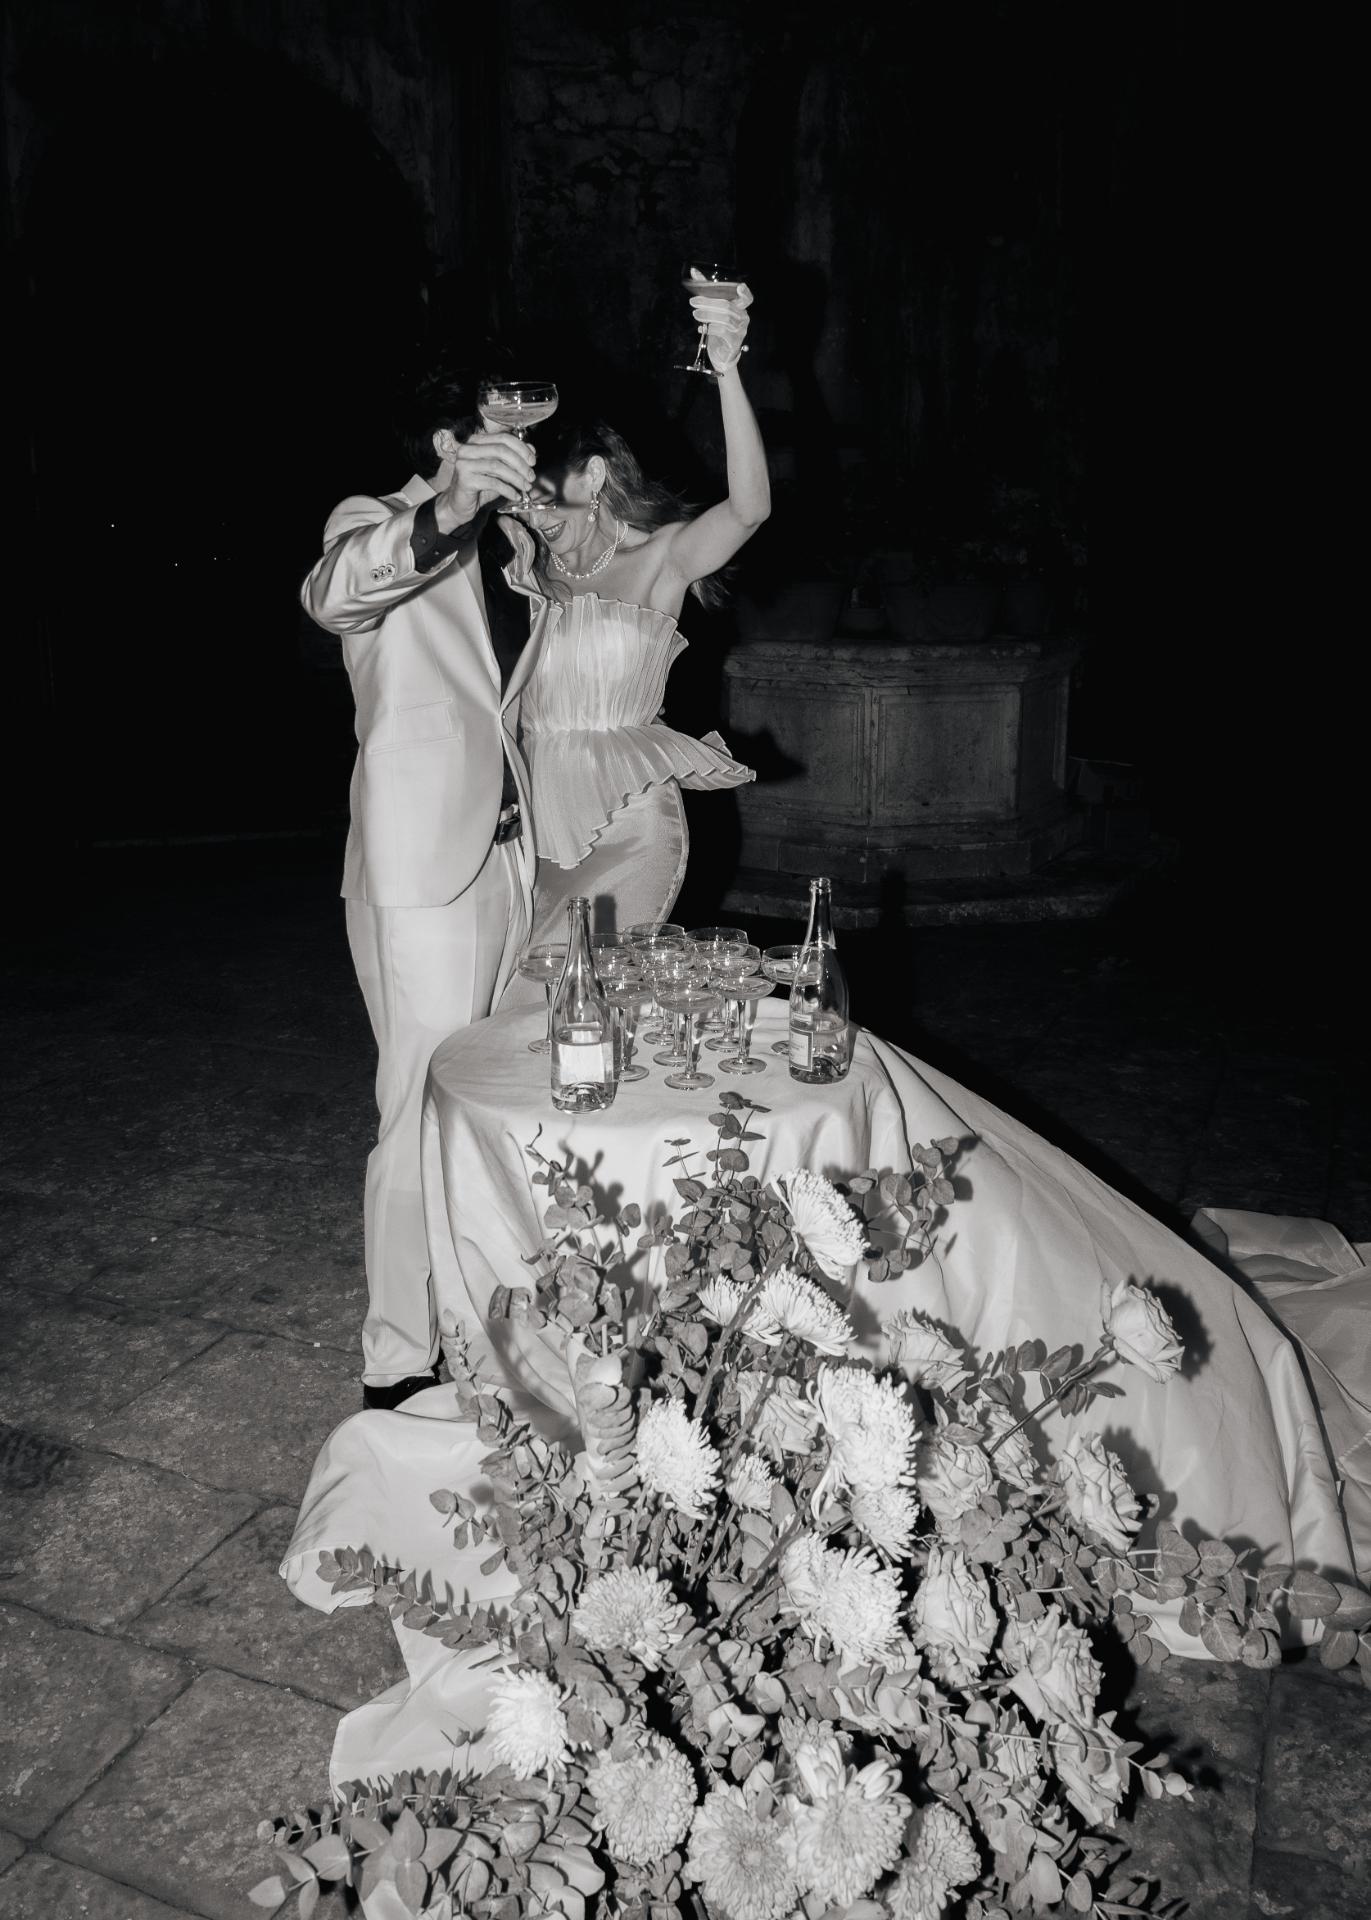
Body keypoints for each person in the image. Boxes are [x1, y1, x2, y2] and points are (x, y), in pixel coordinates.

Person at [300, 373, 543, 1411]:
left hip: (510, 859)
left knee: (494, 1103)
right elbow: (332, 594)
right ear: (450, 438)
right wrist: (442, 510)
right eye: (497, 422)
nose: (519, 438)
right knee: (415, 1109)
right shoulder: (378, 521)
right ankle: (397, 1359)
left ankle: (486, 1325)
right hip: (419, 870)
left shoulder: (517, 550)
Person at [498, 280, 768, 967]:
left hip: (627, 821)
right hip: (536, 819)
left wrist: (727, 370)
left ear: (592, 477)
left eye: (546, 499)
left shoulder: (660, 559)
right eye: (523, 506)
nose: (537, 516)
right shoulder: (527, 571)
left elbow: (747, 510)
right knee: (530, 998)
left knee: (598, 992)